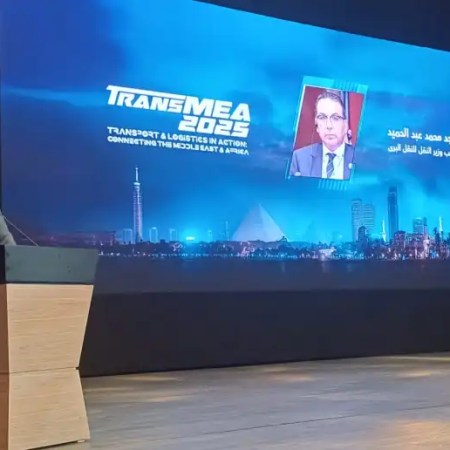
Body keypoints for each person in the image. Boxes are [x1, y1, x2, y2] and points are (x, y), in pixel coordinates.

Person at [289, 91, 355, 180]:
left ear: (345, 125)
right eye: (322, 117)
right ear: (317, 126)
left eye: (335, 118)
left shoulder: (360, 158)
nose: (329, 125)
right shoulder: (299, 158)